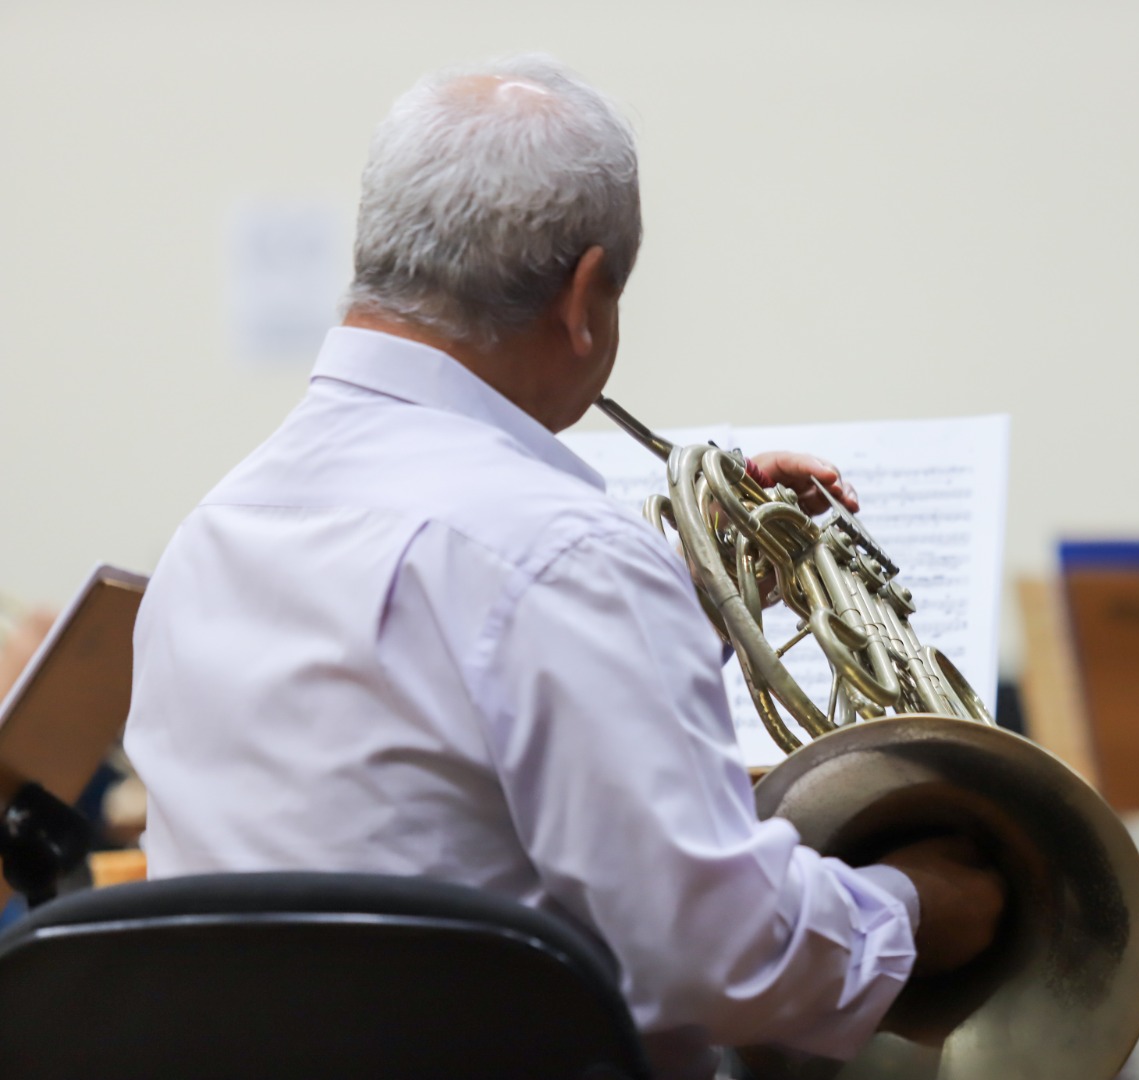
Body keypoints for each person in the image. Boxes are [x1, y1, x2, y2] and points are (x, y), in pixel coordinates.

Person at [123, 54, 1004, 1079]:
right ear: (587, 298)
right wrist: (911, 907)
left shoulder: (211, 535)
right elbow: (720, 958)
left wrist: (700, 592)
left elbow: (426, 756)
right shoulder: (561, 556)